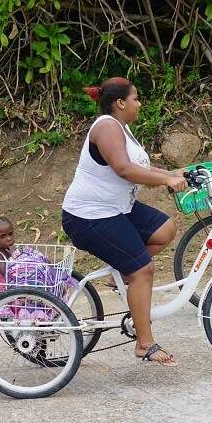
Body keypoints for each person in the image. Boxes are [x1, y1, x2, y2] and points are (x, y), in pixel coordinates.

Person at [62, 77, 187, 366]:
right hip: (88, 216)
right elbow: (123, 169)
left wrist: (171, 172)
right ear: (120, 103)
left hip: (116, 209)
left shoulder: (121, 128)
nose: (139, 104)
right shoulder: (106, 126)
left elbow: (139, 167)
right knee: (144, 269)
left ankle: (123, 269)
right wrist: (167, 179)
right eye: (136, 98)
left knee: (165, 229)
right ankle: (145, 344)